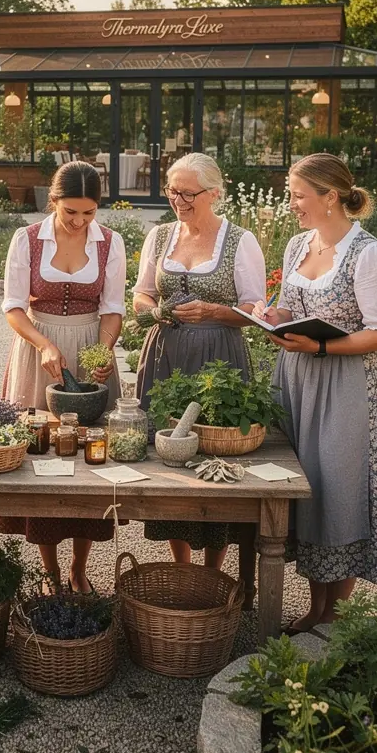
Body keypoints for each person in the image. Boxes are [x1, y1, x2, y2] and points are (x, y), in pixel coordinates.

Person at [252, 152, 377, 631]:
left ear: (330, 197)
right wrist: (271, 317)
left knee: (337, 491)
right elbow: (289, 307)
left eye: (298, 195)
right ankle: (315, 608)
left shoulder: (370, 255)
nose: (291, 204)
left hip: (345, 386)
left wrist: (319, 345)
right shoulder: (299, 245)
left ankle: (334, 617)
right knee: (307, 491)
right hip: (296, 380)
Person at [134, 152, 266, 574]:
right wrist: (156, 312)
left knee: (214, 455)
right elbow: (141, 295)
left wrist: (213, 311)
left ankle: (212, 571)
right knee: (168, 456)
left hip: (218, 359)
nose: (178, 200)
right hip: (164, 355)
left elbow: (255, 309)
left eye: (188, 193)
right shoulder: (159, 236)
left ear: (215, 194)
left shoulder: (240, 240)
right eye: (173, 191)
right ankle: (182, 567)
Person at [0, 161, 126, 592]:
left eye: (89, 213)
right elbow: (14, 307)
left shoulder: (111, 242)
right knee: (42, 456)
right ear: (53, 201)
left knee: (89, 458)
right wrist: (43, 344)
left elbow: (113, 309)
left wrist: (103, 352)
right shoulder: (27, 239)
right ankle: (49, 568)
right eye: (70, 211)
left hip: (91, 344)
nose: (79, 221)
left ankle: (78, 567)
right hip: (39, 348)